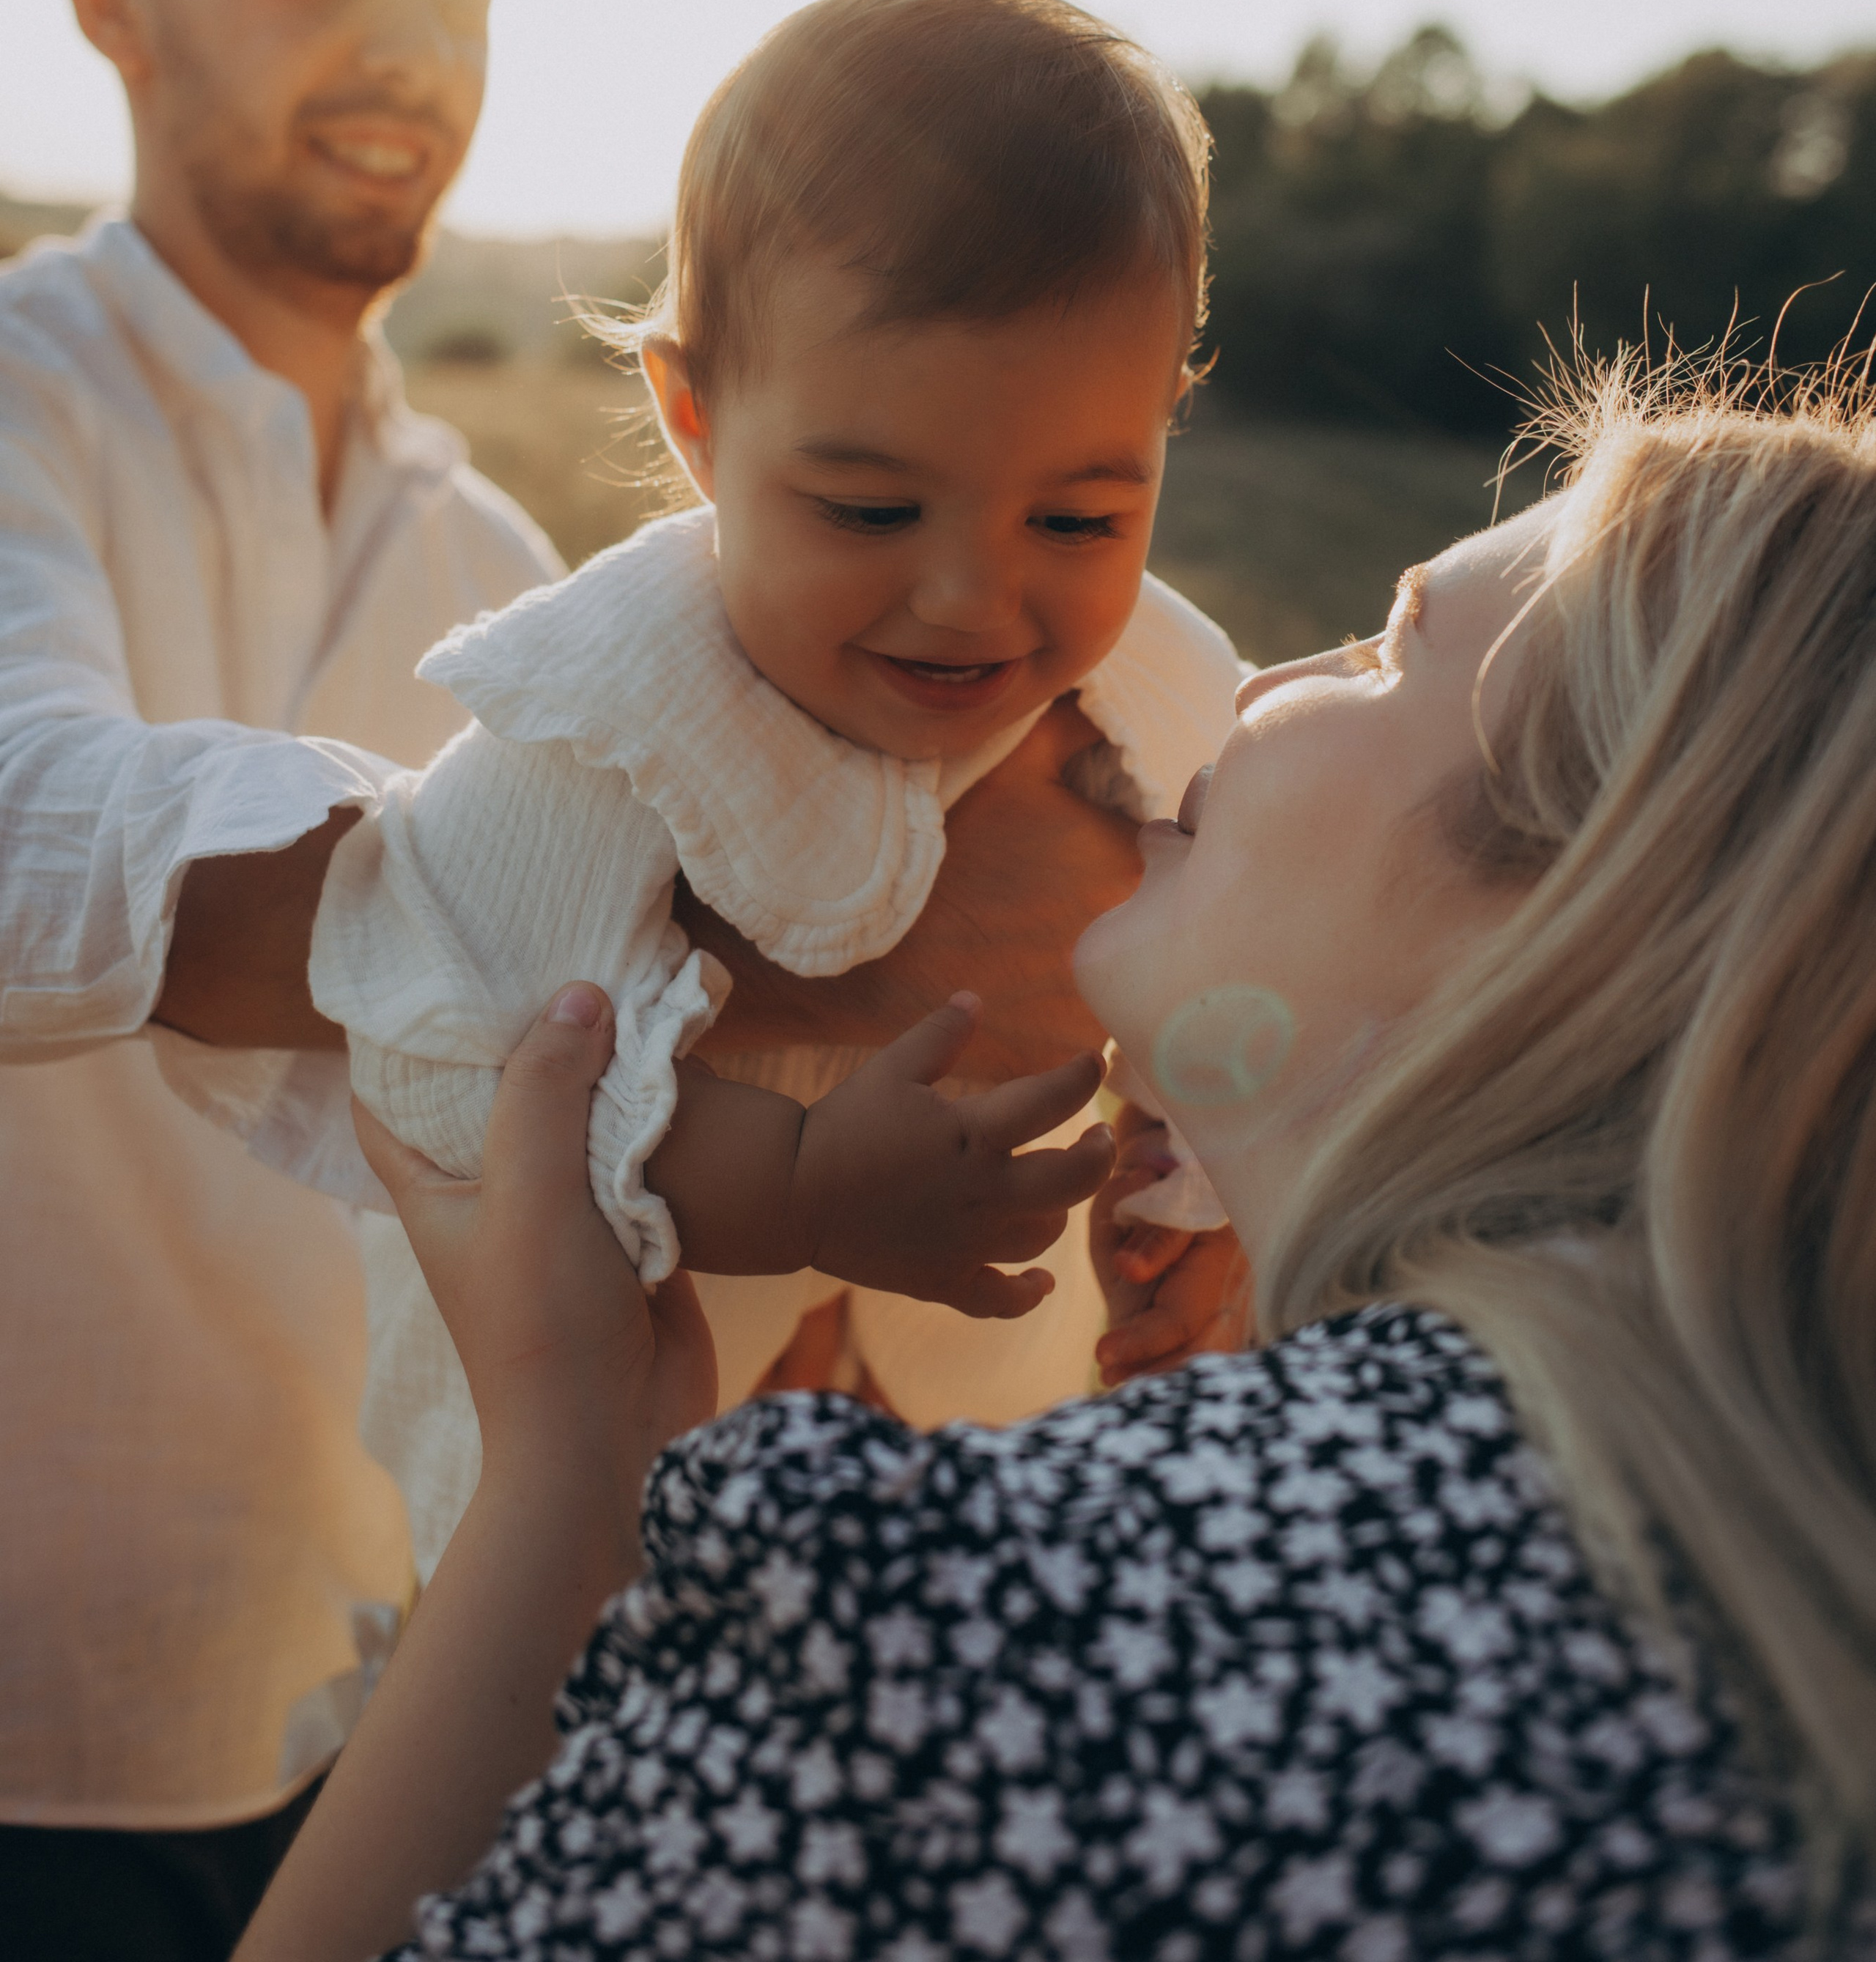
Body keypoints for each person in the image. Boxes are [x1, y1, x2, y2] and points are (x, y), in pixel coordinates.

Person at [243, 359, 1876, 1959]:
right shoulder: (1778, 1535)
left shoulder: (979, 1633)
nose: (1251, 684)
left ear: (1584, 910)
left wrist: (564, 1478)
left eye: (1387, 650)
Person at [0, 0, 1146, 1958]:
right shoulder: (23, 399)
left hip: (396, 1675)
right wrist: (545, 944)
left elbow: (678, 1086)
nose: (412, 52)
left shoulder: (515, 582)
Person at [165, 0, 1245, 1428]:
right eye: (868, 511)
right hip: (608, 1480)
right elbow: (425, 1046)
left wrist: (1200, 1186)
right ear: (695, 416)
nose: (970, 603)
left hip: (983, 1454)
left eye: (1076, 523)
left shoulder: (1159, 699)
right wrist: (780, 1186)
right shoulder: (615, 712)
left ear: (1162, 424)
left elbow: (1243, 993)